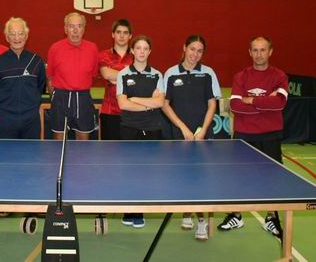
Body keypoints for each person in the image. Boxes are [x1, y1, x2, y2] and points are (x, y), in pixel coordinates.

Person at [217, 36, 288, 238]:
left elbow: (280, 104)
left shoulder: (280, 76)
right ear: (250, 52)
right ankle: (236, 215)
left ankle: (271, 218)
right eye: (255, 50)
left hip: (270, 135)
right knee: (238, 178)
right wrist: (266, 102)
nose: (259, 54)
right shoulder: (241, 76)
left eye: (262, 50)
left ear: (270, 51)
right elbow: (236, 106)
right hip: (244, 135)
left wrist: (251, 100)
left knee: (272, 179)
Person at [162, 35, 222, 241]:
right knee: (181, 176)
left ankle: (202, 222)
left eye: (200, 51)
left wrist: (203, 130)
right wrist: (183, 128)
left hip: (202, 134)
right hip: (179, 133)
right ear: (184, 47)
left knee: (200, 179)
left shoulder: (208, 73)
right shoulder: (170, 73)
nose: (195, 54)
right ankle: (187, 212)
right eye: (192, 49)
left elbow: (212, 104)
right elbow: (165, 104)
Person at [116, 35, 165, 228]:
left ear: (150, 51)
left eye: (145, 48)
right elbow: (123, 104)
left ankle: (140, 211)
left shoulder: (157, 75)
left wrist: (134, 99)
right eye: (138, 48)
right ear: (132, 51)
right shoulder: (123, 75)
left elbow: (160, 103)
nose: (142, 51)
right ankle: (130, 211)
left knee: (147, 171)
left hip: (152, 128)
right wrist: (148, 104)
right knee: (130, 171)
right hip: (129, 128)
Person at [0, 17, 46, 139]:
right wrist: (3, 105)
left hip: (31, 121)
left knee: (31, 156)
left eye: (21, 33)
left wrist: (30, 104)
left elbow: (40, 86)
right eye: (12, 34)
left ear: (26, 36)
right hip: (5, 120)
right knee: (4, 156)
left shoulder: (36, 60)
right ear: (7, 37)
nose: (17, 38)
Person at [47, 12, 99, 140]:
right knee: (59, 142)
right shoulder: (55, 48)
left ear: (84, 29)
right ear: (65, 29)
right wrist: (55, 97)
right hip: (60, 98)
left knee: (83, 142)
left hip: (83, 98)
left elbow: (92, 74)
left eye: (79, 26)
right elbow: (50, 77)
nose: (75, 30)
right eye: (71, 26)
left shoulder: (92, 48)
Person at [98, 19, 134, 140]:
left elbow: (139, 80)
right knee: (109, 154)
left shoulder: (137, 56)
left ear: (130, 36)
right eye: (118, 32)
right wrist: (129, 77)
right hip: (109, 112)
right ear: (113, 34)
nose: (122, 36)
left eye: (125, 32)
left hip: (132, 111)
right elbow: (107, 75)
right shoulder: (103, 55)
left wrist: (116, 77)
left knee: (131, 152)